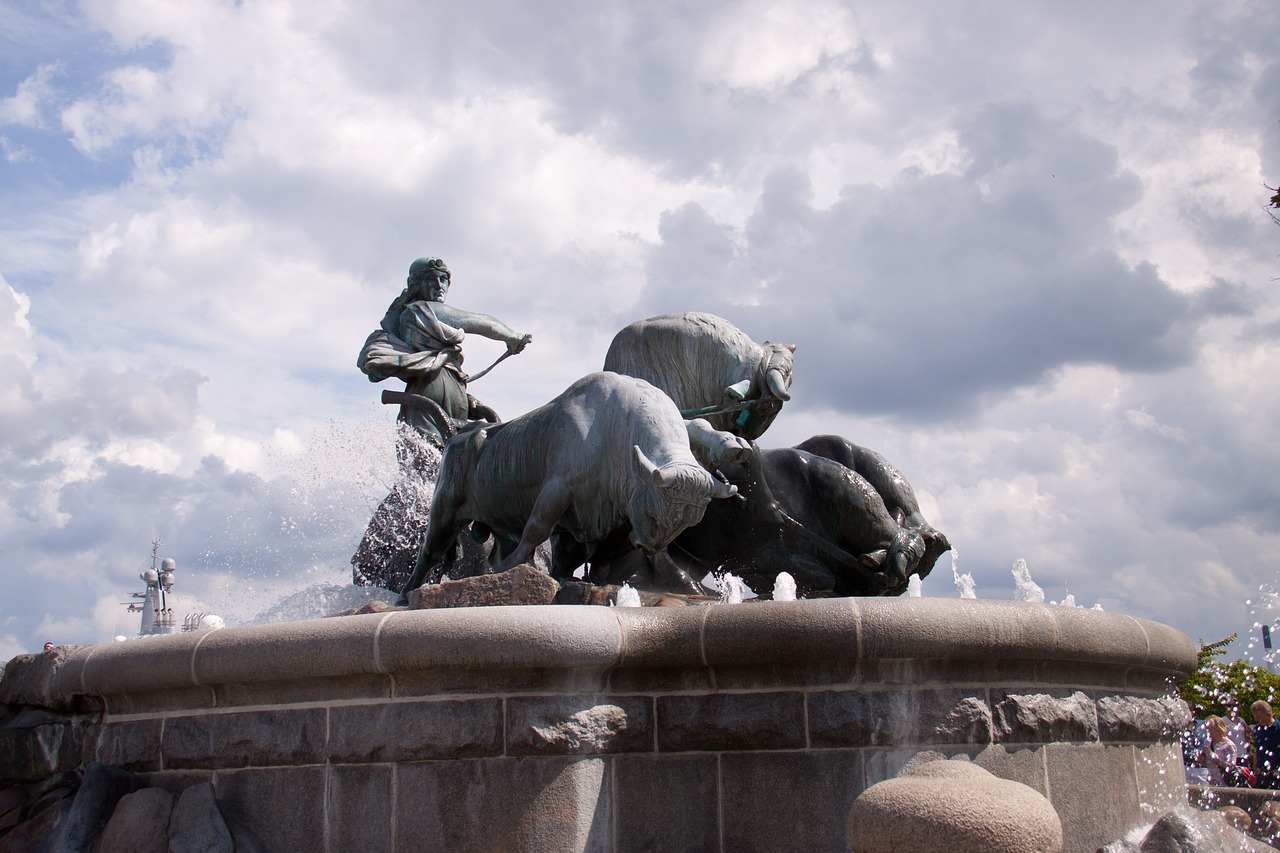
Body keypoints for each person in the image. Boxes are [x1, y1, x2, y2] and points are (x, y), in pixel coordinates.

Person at [358, 257, 532, 448]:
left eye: (444, 280)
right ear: (417, 284)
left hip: (450, 394)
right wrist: (512, 337)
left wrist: (467, 400)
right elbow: (481, 322)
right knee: (430, 468)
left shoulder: (413, 318)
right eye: (431, 279)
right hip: (428, 398)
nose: (439, 285)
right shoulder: (421, 309)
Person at [1201, 715, 1240, 785]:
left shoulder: (1229, 745)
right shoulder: (1208, 742)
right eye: (1207, 729)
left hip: (1224, 781)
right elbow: (1205, 762)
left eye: (1210, 729)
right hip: (1210, 780)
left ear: (1218, 730)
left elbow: (1231, 766)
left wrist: (1214, 757)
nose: (1208, 731)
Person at [1253, 700, 1280, 788]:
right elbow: (1257, 749)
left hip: (1277, 773)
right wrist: (1255, 766)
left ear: (1268, 714)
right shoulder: (1257, 729)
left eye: (1259, 717)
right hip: (1262, 773)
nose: (1256, 720)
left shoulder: (1278, 728)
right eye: (1255, 717)